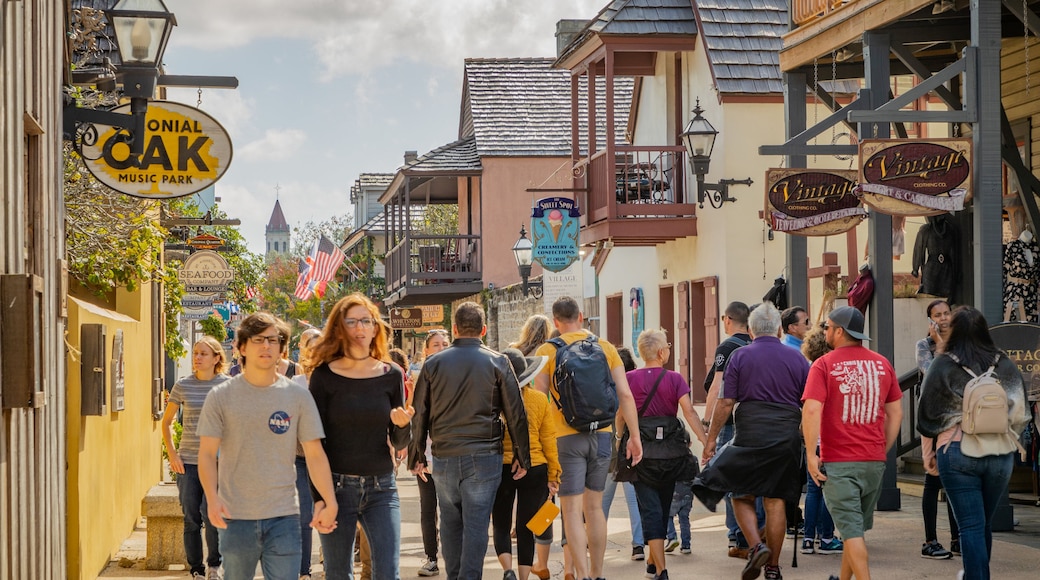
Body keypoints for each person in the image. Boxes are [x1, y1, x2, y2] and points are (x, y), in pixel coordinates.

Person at [197, 312, 338, 580]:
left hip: (284, 517)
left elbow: (315, 454)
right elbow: (206, 454)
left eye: (273, 340)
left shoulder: (297, 396)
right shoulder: (221, 396)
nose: (266, 346)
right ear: (241, 347)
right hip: (235, 516)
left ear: (282, 348)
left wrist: (329, 501)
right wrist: (212, 499)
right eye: (258, 340)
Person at [409, 301, 531, 580]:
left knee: (450, 523)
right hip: (484, 455)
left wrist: (418, 454)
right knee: (476, 525)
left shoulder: (433, 363)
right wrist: (522, 456)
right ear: (484, 330)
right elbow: (516, 413)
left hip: (444, 454)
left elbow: (420, 413)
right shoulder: (498, 361)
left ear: (454, 329)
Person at [694, 302, 810, 580]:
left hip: (750, 432)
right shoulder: (798, 359)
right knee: (776, 501)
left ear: (751, 330)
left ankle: (756, 546)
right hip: (786, 435)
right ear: (780, 330)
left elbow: (725, 403)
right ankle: (773, 568)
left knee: (740, 493)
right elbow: (809, 403)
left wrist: (710, 443)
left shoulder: (740, 356)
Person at [534, 296, 643, 580]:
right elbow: (625, 394)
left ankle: (581, 575)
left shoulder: (547, 350)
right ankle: (597, 573)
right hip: (603, 434)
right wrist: (634, 436)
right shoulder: (605, 347)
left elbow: (540, 402)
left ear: (556, 322)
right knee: (594, 508)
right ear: (581, 317)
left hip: (565, 439)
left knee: (571, 511)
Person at [918, 306, 1031, 580]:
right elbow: (1021, 413)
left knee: (970, 524)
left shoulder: (943, 363)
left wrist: (930, 450)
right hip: (1000, 452)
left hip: (957, 450)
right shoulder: (1004, 363)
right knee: (983, 524)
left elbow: (927, 413)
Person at [307, 293, 414, 580]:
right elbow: (314, 446)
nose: (359, 328)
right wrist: (320, 498)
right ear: (339, 328)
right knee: (338, 573)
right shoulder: (323, 376)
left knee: (388, 573)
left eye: (366, 321)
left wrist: (402, 426)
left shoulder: (392, 374)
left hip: (382, 487)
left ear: (375, 328)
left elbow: (400, 443)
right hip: (336, 487)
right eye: (351, 321)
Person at [802, 306, 903, 580]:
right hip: (873, 462)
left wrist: (811, 454)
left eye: (828, 327)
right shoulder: (882, 363)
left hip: (840, 462)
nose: (824, 332)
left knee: (852, 531)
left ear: (839, 331)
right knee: (852, 530)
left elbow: (811, 410)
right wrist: (882, 449)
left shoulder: (823, 365)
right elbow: (895, 413)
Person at [622, 328, 708, 580]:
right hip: (670, 453)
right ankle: (656, 565)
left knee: (649, 508)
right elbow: (689, 412)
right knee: (661, 505)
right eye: (668, 345)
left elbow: (620, 415)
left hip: (641, 453)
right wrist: (705, 440)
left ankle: (659, 567)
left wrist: (619, 440)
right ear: (661, 352)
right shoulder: (674, 379)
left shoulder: (629, 378)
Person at [161, 337, 230, 580]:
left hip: (218, 463)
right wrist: (173, 454)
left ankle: (214, 566)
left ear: (216, 358)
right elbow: (167, 422)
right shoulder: (183, 385)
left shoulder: (227, 385)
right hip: (188, 462)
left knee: (213, 515)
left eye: (203, 353)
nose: (197, 357)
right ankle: (196, 569)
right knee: (191, 517)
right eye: (196, 353)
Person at [701, 301, 763, 558]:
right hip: (756, 422)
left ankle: (737, 537)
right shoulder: (756, 346)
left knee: (730, 480)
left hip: (729, 425)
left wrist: (707, 426)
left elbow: (718, 388)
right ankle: (756, 535)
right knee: (756, 482)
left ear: (727, 320)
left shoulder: (727, 347)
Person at [493, 348, 558, 580]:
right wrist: (554, 474)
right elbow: (549, 440)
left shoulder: (494, 401)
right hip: (536, 467)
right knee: (526, 527)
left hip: (501, 467)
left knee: (501, 522)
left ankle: (507, 570)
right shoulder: (540, 400)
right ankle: (523, 576)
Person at [914, 299, 960, 560]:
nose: (943, 318)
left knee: (954, 478)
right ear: (930, 320)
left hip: (956, 417)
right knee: (933, 477)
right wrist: (940, 345)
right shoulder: (924, 344)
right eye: (937, 315)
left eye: (946, 313)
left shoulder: (961, 344)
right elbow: (932, 373)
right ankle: (930, 540)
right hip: (932, 416)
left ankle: (957, 538)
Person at [408, 329, 451, 577]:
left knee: (451, 508)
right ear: (426, 350)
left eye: (445, 343)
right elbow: (415, 420)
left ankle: (454, 556)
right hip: (427, 453)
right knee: (428, 508)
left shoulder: (458, 374)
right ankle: (431, 557)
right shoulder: (420, 377)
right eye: (436, 344)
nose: (441, 347)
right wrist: (417, 456)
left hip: (451, 452)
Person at [798, 324, 843, 556]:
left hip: (811, 437)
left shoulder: (809, 370)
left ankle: (807, 538)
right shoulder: (831, 370)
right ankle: (826, 537)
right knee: (828, 490)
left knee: (814, 491)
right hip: (830, 438)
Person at [602, 346, 645, 562]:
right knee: (633, 500)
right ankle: (638, 544)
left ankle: (596, 542)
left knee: (602, 502)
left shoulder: (606, 389)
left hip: (611, 448)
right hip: (630, 448)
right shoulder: (633, 388)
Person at [292, 328, 322, 580]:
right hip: (301, 458)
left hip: (330, 458)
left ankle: (334, 565)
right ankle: (304, 571)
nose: (315, 353)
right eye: (310, 349)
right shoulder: (297, 384)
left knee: (332, 512)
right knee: (305, 513)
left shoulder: (337, 378)